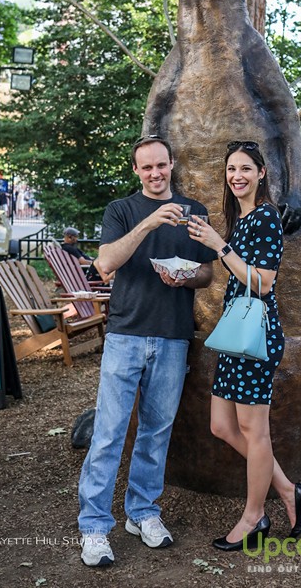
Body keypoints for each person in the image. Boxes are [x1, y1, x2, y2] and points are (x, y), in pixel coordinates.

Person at [77, 135, 216, 568]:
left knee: (156, 433)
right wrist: (152, 223)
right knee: (109, 435)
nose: (155, 173)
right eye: (147, 167)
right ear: (136, 171)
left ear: (172, 164)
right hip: (126, 335)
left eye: (161, 165)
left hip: (173, 337)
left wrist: (187, 276)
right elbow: (105, 263)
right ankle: (95, 526)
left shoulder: (195, 212)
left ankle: (142, 513)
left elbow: (208, 273)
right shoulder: (121, 211)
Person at [187, 141, 301, 551]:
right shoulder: (243, 217)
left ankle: (254, 517)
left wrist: (218, 245)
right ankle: (288, 491)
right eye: (231, 169)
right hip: (236, 335)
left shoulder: (264, 218)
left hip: (255, 337)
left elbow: (263, 282)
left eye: (246, 168)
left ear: (261, 174)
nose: (237, 176)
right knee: (222, 426)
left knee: (254, 431)